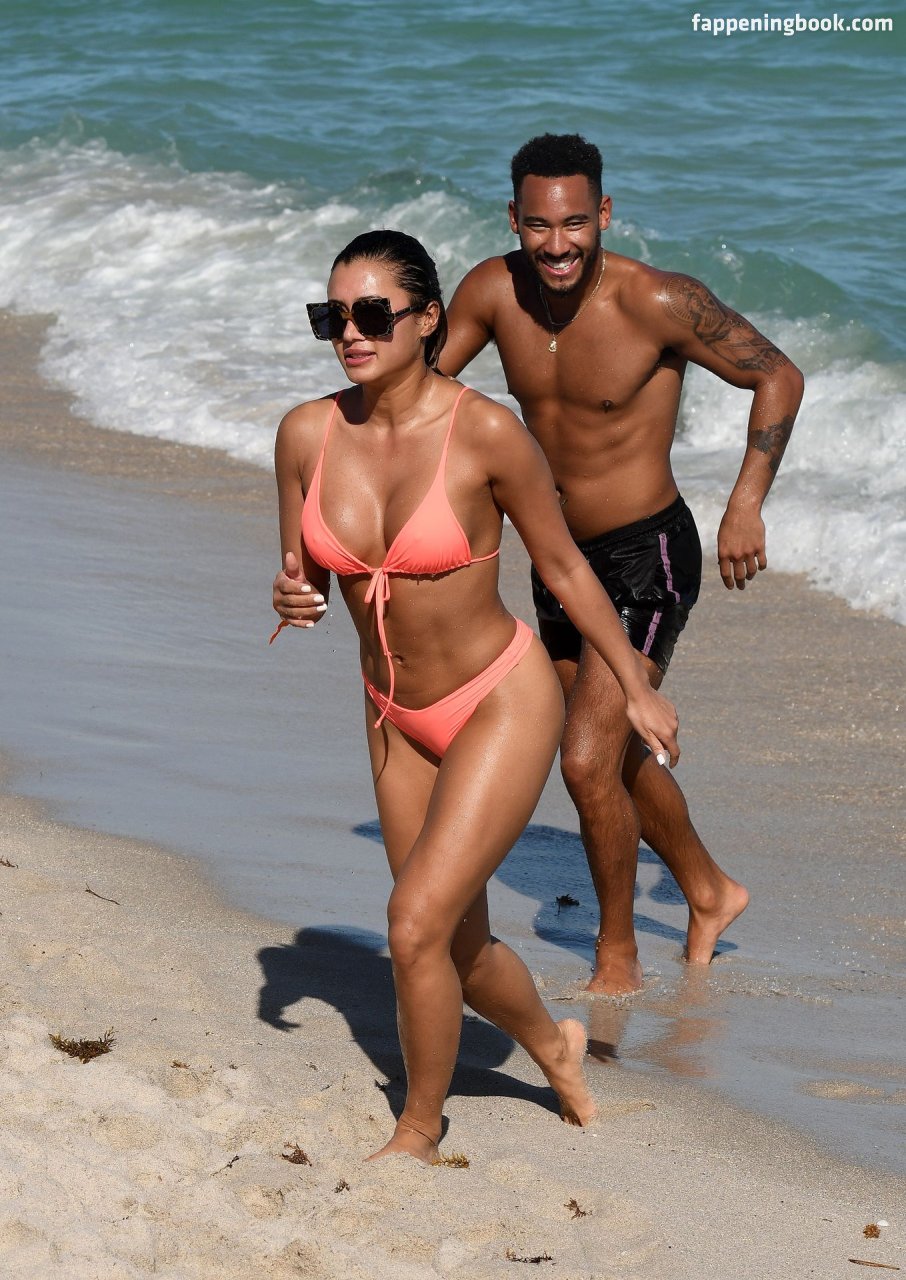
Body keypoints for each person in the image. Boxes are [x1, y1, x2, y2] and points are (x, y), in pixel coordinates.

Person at [270, 228, 680, 1162]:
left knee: (410, 924)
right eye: (332, 317)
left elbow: (564, 567)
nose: (350, 332)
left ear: (428, 320)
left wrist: (634, 685)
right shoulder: (304, 434)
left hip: (498, 700)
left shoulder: (486, 431)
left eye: (372, 314)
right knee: (455, 943)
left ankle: (419, 1129)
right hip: (392, 713)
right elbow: (303, 577)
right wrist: (291, 598)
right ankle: (555, 1050)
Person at [436, 133, 805, 995]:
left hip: (649, 556)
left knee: (584, 758)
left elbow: (779, 376)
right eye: (538, 225)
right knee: (613, 750)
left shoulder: (659, 300)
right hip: (558, 557)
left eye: (575, 222)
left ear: (603, 212)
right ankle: (708, 890)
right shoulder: (492, 291)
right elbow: (422, 393)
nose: (557, 244)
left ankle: (617, 953)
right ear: (514, 219)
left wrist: (745, 501)